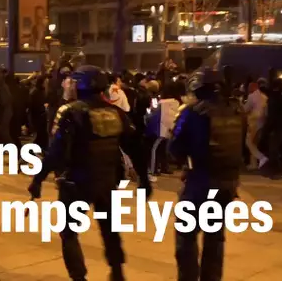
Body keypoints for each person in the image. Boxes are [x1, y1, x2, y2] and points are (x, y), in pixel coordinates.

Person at [28, 65, 152, 281]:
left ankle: (79, 276)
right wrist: (144, 178)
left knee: (68, 232)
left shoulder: (70, 112)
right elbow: (135, 147)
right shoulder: (116, 112)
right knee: (109, 229)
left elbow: (56, 152)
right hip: (107, 181)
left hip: (77, 183)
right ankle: (117, 271)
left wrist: (38, 178)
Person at [169, 69, 239, 281]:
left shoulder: (192, 112)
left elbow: (174, 149)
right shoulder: (236, 110)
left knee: (186, 238)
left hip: (199, 183)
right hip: (227, 185)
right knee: (215, 240)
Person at [243, 78, 269, 170]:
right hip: (262, 123)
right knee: (254, 144)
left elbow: (245, 109)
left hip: (253, 122)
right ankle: (253, 164)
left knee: (248, 142)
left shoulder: (251, 96)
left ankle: (261, 157)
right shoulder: (264, 97)